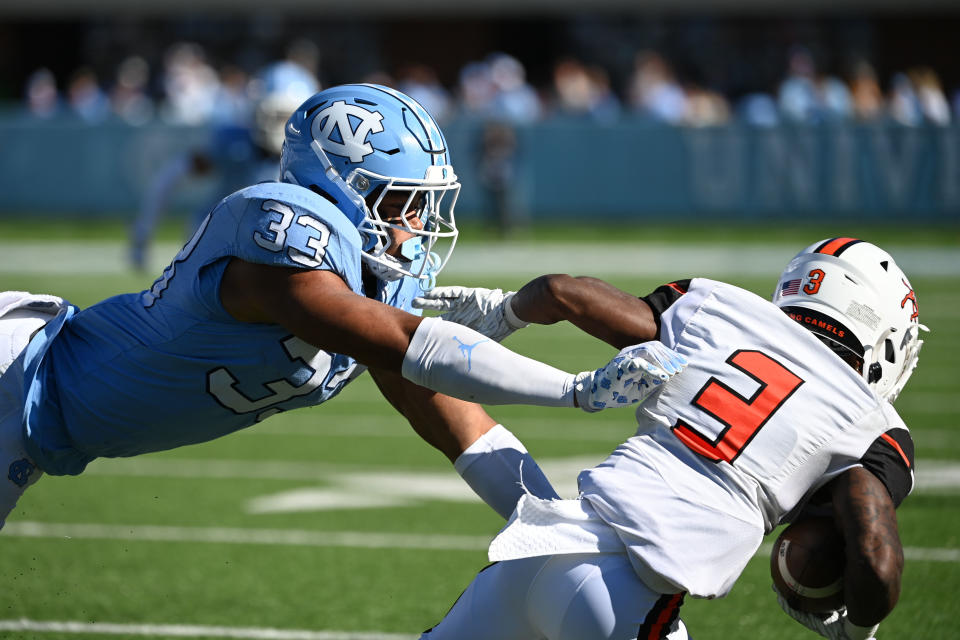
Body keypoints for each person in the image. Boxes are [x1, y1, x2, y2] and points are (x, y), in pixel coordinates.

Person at [0, 83, 684, 531]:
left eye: (422, 202)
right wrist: (574, 391)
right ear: (340, 183)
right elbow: (405, 342)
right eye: (399, 201)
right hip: (15, 377)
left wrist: (543, 519)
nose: (416, 223)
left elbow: (443, 407)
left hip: (42, 424)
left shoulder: (366, 279)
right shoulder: (282, 234)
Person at [412, 237, 926, 640]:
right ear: (882, 337)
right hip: (626, 596)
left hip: (534, 553)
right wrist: (857, 630)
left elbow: (561, 291)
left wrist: (504, 313)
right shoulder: (873, 425)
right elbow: (877, 559)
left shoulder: (716, 305)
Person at [129, 59, 319, 270]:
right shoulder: (234, 144)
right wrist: (143, 231)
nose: (282, 128)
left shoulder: (318, 158)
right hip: (219, 242)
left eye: (289, 118)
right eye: (276, 117)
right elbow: (170, 177)